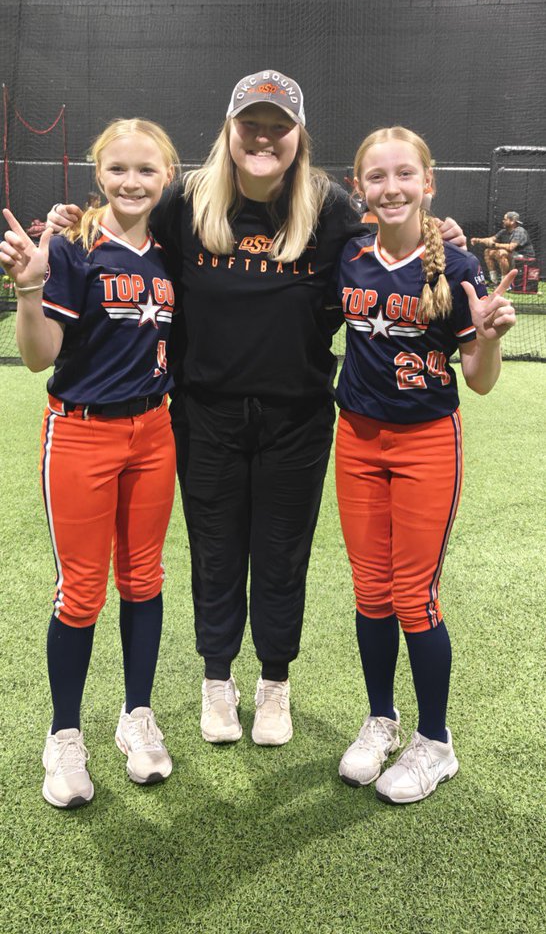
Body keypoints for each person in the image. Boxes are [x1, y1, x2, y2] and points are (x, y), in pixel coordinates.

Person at [46, 71, 465, 749]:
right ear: (230, 130)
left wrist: (441, 233)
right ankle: (217, 678)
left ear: (299, 136)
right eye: (251, 125)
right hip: (203, 414)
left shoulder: (329, 208)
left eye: (279, 127)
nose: (264, 138)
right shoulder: (187, 201)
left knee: (281, 556)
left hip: (297, 420)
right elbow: (126, 214)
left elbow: (394, 236)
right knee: (214, 553)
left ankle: (274, 682)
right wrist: (77, 221)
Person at [0, 118, 179, 808]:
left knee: (143, 579)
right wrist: (28, 288)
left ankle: (136, 716)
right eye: (118, 169)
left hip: (154, 432)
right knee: (81, 592)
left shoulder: (172, 251)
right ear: (97, 174)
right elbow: (39, 355)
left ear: (168, 177)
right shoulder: (75, 247)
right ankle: (64, 735)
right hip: (81, 435)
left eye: (146, 170)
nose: (131, 182)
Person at [335, 125, 516, 805]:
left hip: (426, 444)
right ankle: (381, 720)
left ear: (428, 183)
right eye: (377, 176)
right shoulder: (349, 253)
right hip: (356, 440)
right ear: (359, 188)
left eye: (404, 174)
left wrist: (489, 338)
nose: (392, 188)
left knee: (415, 596)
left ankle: (435, 743)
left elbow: (480, 381)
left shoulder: (458, 267)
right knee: (370, 592)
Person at [471, 211, 535, 285]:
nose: (503, 221)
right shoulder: (504, 231)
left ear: (512, 221)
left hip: (524, 257)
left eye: (505, 219)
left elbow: (511, 247)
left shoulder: (519, 231)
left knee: (502, 252)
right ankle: (494, 280)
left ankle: (505, 283)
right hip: (513, 255)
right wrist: (477, 240)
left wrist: (494, 245)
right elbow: (491, 239)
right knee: (488, 251)